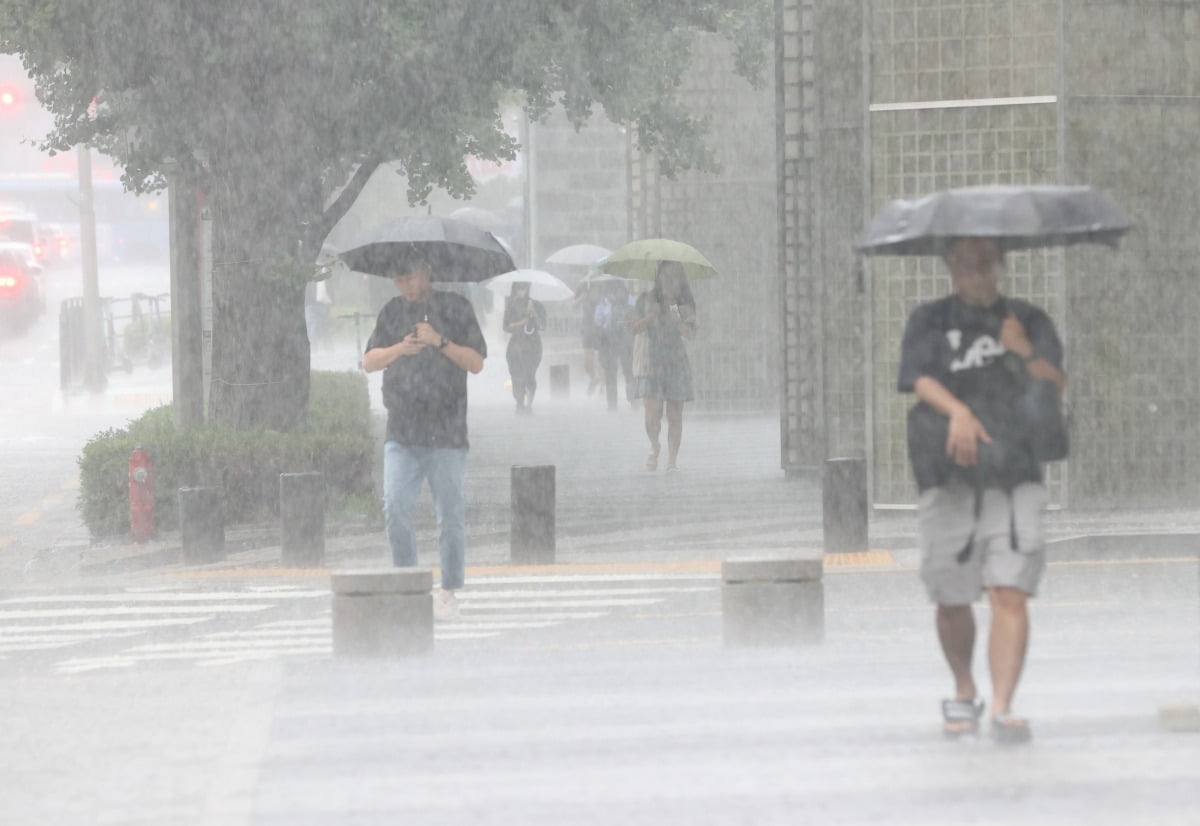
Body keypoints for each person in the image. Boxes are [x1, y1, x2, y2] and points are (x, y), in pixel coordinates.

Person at [898, 237, 1065, 744]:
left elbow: (1055, 381)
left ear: (1000, 265)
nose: (978, 274)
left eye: (987, 264)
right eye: (968, 264)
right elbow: (917, 379)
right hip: (950, 476)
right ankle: (964, 687)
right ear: (951, 266)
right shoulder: (929, 320)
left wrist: (1023, 351)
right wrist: (960, 412)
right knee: (952, 595)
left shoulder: (1027, 319)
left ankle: (1003, 705)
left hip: (1015, 474)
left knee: (1009, 588)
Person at [362, 255, 487, 621]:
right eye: (397, 280)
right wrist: (401, 348)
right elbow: (369, 361)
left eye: (409, 278)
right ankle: (408, 584)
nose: (404, 286)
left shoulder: (456, 307)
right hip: (402, 430)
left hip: (447, 431)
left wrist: (439, 341)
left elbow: (477, 363)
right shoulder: (391, 313)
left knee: (449, 513)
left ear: (426, 272)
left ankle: (449, 589)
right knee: (395, 506)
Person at [629, 261, 697, 471]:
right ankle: (654, 444)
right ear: (659, 278)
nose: (670, 281)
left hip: (676, 361)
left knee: (675, 414)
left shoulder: (684, 303)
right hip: (653, 361)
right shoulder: (646, 300)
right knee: (652, 414)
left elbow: (692, 334)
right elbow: (632, 328)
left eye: (675, 277)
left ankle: (672, 461)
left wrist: (678, 322)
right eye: (666, 276)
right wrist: (651, 316)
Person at [503, 281, 547, 413]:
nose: (522, 291)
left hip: (533, 346)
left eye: (524, 288)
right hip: (515, 347)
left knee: (529, 375)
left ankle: (529, 404)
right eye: (519, 288)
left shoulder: (538, 305)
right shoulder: (511, 307)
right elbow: (505, 327)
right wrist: (520, 323)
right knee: (516, 376)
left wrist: (534, 314)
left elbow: (543, 326)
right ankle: (519, 401)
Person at [595, 278, 636, 411]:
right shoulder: (604, 302)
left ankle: (631, 401)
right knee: (613, 373)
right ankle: (613, 405)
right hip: (611, 341)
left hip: (625, 340)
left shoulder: (629, 301)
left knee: (627, 371)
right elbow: (598, 321)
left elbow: (598, 321)